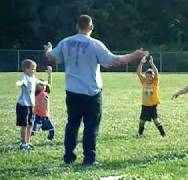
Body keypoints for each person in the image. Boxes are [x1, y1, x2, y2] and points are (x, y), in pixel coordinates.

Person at [44, 14, 148, 165]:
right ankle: (89, 159)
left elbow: (51, 58)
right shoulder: (95, 44)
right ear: (91, 27)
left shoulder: (66, 42)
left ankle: (69, 157)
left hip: (72, 91)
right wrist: (134, 55)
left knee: (72, 124)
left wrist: (49, 49)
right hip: (91, 93)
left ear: (77, 26)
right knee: (91, 126)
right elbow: (113, 62)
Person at [16, 59, 43, 151]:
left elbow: (38, 81)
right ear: (26, 69)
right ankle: (23, 144)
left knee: (30, 124)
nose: (34, 71)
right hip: (23, 105)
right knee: (24, 125)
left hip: (31, 106)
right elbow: (21, 81)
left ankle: (28, 142)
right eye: (33, 69)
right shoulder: (24, 76)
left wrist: (45, 83)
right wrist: (19, 83)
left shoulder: (33, 77)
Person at [136, 56, 166, 137]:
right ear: (145, 76)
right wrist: (141, 63)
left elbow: (156, 72)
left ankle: (163, 134)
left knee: (156, 120)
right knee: (142, 120)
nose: (149, 78)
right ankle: (140, 134)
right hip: (145, 105)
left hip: (152, 105)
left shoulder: (155, 83)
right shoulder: (144, 82)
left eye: (150, 76)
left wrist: (152, 64)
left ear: (153, 77)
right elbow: (138, 73)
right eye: (147, 76)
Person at [32, 66, 55, 141]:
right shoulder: (35, 93)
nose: (44, 86)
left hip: (45, 115)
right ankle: (28, 138)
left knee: (51, 129)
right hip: (37, 115)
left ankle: (50, 138)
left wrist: (49, 74)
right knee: (33, 128)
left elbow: (49, 84)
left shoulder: (45, 93)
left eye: (44, 85)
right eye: (41, 85)